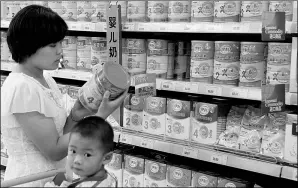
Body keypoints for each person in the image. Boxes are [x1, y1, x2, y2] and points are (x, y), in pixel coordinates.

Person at [1, 5, 127, 187]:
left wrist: (76, 114)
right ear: (29, 44)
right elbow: (54, 151)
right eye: (53, 45)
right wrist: (100, 117)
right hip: (31, 180)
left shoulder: (44, 79)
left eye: (61, 43)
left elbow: (60, 137)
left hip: (54, 177)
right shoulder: (22, 88)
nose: (60, 51)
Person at [45, 116, 117, 187]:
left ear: (106, 158)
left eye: (87, 155)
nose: (77, 160)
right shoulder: (106, 177)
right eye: (73, 151)